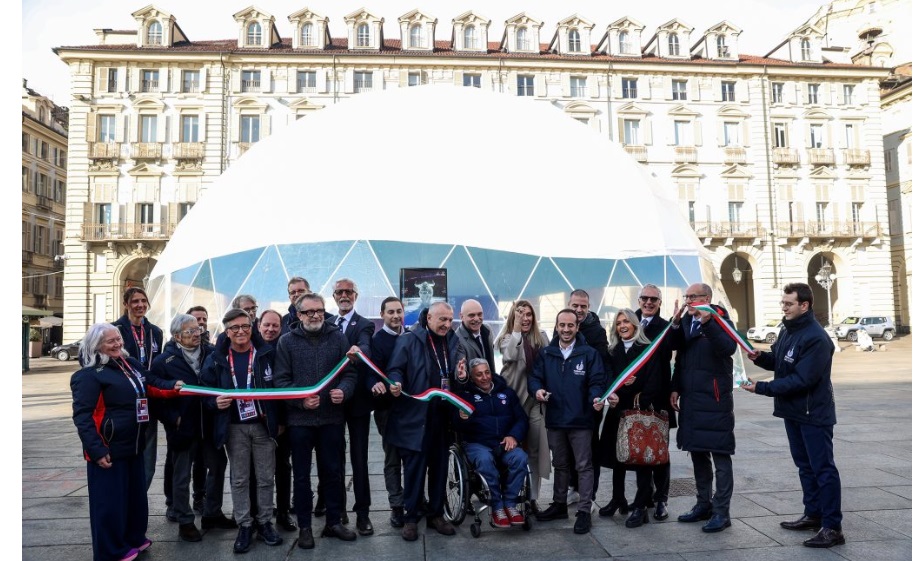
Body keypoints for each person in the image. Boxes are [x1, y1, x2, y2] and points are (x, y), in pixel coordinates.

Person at [741, 282, 844, 548]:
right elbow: (780, 359)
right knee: (805, 466)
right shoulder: (788, 330)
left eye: (788, 304)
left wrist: (762, 387)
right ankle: (813, 514)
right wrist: (759, 357)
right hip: (794, 411)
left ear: (804, 305)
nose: (783, 307)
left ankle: (832, 527)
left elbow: (802, 379)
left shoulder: (816, 338)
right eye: (782, 303)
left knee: (823, 469)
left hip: (814, 412)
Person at [71, 323, 182, 561]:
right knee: (109, 504)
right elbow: (83, 416)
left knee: (134, 499)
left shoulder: (129, 365)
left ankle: (133, 538)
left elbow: (151, 384)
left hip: (134, 445)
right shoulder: (88, 375)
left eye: (118, 338)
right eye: (110, 341)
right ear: (96, 345)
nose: (117, 344)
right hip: (109, 449)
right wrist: (97, 450)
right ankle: (111, 551)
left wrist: (174, 387)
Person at [274, 293, 358, 549]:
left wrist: (344, 390)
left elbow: (350, 372)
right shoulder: (286, 342)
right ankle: (305, 527)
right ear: (298, 315)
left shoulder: (338, 337)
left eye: (319, 310)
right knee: (301, 476)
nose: (315, 315)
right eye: (309, 312)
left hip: (332, 419)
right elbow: (281, 382)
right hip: (300, 422)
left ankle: (333, 522)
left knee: (332, 473)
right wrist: (300, 401)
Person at [201, 309, 283, 554]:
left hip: (262, 425)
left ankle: (265, 522)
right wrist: (214, 403)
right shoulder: (216, 359)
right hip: (234, 426)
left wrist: (279, 420)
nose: (240, 332)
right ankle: (244, 524)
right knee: (239, 479)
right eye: (234, 328)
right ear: (227, 331)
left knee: (266, 477)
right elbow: (204, 391)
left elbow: (280, 388)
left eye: (244, 326)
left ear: (252, 327)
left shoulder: (266, 354)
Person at [385, 301, 463, 541]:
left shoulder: (452, 340)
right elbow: (395, 369)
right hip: (416, 416)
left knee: (440, 468)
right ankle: (411, 518)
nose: (447, 325)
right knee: (415, 470)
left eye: (450, 321)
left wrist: (462, 374)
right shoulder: (409, 340)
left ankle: (436, 514)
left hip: (443, 416)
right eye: (442, 320)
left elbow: (459, 368)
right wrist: (395, 382)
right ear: (429, 318)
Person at [529, 308, 607, 535]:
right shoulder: (547, 353)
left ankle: (583, 510)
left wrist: (595, 396)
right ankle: (559, 504)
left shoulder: (589, 353)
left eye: (570, 325)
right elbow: (535, 377)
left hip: (581, 419)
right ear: (556, 326)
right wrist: (537, 391)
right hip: (555, 419)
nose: (566, 329)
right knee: (560, 465)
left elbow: (597, 381)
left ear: (577, 327)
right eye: (562, 325)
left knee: (583, 466)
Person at [670, 283, 737, 533]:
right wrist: (675, 387)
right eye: (686, 296)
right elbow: (680, 356)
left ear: (707, 298)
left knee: (720, 455)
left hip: (714, 399)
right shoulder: (687, 321)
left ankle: (722, 511)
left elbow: (728, 348)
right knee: (697, 452)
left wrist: (708, 321)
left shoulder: (720, 319)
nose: (688, 300)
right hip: (691, 398)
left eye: (693, 296)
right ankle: (703, 504)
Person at [150, 314, 214, 543]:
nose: (197, 334)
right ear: (177, 336)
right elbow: (154, 395)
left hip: (209, 422)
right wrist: (172, 418)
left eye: (198, 330)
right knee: (181, 474)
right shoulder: (164, 362)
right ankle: (185, 520)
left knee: (215, 467)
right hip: (183, 426)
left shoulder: (211, 353)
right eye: (190, 332)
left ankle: (212, 512)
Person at [596, 309, 661, 528]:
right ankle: (618, 498)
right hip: (617, 411)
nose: (622, 325)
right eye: (618, 322)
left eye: (626, 321)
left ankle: (641, 505)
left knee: (641, 459)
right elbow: (609, 377)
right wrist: (612, 392)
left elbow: (655, 379)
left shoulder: (647, 349)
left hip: (639, 412)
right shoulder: (613, 351)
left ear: (635, 324)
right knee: (618, 458)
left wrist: (638, 393)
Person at [454, 358, 529, 528]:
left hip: (504, 441)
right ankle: (497, 506)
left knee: (520, 458)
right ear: (472, 378)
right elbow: (457, 425)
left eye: (487, 372)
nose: (485, 377)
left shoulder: (507, 393)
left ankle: (510, 503)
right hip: (477, 443)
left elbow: (522, 419)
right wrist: (462, 418)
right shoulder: (466, 396)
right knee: (485, 461)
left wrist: (513, 436)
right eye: (479, 374)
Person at [327, 278, 375, 535]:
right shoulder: (328, 324)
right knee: (334, 459)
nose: (344, 295)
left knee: (359, 459)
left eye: (349, 292)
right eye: (340, 292)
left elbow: (365, 346)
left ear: (355, 295)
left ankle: (363, 514)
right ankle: (338, 510)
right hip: (332, 403)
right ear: (334, 296)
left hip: (357, 403)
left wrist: (359, 350)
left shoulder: (364, 324)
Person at [495, 299, 550, 508]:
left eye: (528, 315)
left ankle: (532, 498)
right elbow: (510, 355)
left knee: (535, 450)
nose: (525, 318)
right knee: (512, 449)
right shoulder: (506, 338)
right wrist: (516, 327)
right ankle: (508, 493)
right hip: (513, 402)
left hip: (536, 402)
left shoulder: (542, 337)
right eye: (520, 315)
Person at [112, 287, 163, 492]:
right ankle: (123, 496)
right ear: (126, 304)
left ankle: (139, 497)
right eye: (135, 301)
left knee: (148, 455)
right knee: (125, 453)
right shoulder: (114, 330)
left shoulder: (155, 332)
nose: (140, 305)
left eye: (143, 301)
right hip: (123, 401)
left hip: (148, 400)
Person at [633, 284, 676, 521]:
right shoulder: (629, 321)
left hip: (658, 398)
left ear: (660, 303)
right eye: (645, 298)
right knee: (639, 451)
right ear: (638, 300)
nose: (648, 303)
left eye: (654, 299)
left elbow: (673, 351)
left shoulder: (666, 327)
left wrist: (676, 324)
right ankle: (643, 497)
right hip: (636, 399)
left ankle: (661, 499)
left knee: (660, 453)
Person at [566, 289, 612, 502]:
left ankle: (590, 494)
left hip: (590, 398)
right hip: (568, 399)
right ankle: (573, 486)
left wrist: (598, 395)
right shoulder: (563, 325)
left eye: (583, 306)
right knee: (568, 446)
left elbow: (600, 366)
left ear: (589, 307)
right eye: (575, 305)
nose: (579, 309)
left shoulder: (597, 332)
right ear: (569, 304)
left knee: (590, 447)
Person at [369, 297, 408, 528]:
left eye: (399, 311)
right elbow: (371, 372)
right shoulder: (377, 341)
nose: (395, 316)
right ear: (382, 314)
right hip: (388, 410)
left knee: (414, 459)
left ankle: (414, 500)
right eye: (391, 312)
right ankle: (396, 505)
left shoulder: (411, 335)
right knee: (393, 459)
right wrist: (377, 385)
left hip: (411, 409)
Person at [257, 309, 296, 532]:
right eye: (267, 325)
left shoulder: (283, 349)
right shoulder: (251, 349)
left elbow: (283, 387)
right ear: (259, 325)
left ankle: (282, 513)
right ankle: (258, 513)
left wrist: (281, 420)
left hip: (281, 420)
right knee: (257, 470)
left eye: (275, 326)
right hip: (256, 419)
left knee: (282, 466)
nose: (270, 329)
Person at [455, 299, 496, 375]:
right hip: (471, 386)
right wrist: (462, 377)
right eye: (471, 315)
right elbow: (459, 373)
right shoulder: (457, 339)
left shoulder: (487, 330)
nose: (477, 319)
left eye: (479, 314)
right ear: (461, 316)